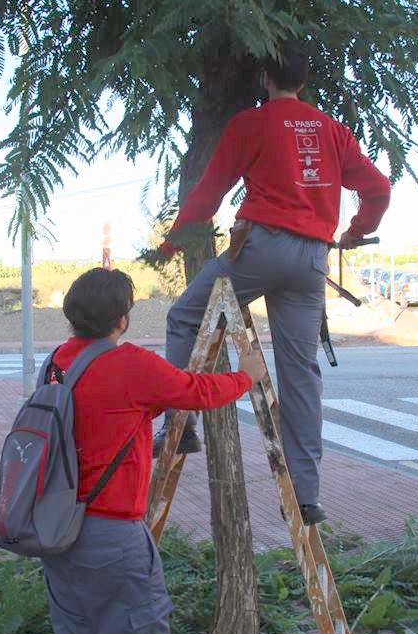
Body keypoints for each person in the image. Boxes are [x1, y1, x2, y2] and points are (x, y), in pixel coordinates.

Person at [155, 42, 391, 525]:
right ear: (302, 81)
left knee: (183, 316)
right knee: (300, 373)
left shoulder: (251, 124)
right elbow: (378, 189)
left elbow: (209, 192)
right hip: (311, 261)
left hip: (260, 249)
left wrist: (172, 243)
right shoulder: (333, 131)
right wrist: (357, 230)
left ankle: (181, 426)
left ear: (265, 78)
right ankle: (305, 496)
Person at [41, 267, 263, 634]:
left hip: (57, 534)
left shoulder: (56, 363)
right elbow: (198, 391)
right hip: (113, 539)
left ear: (72, 315)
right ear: (122, 319)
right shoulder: (131, 364)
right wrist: (247, 375)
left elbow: (101, 409)